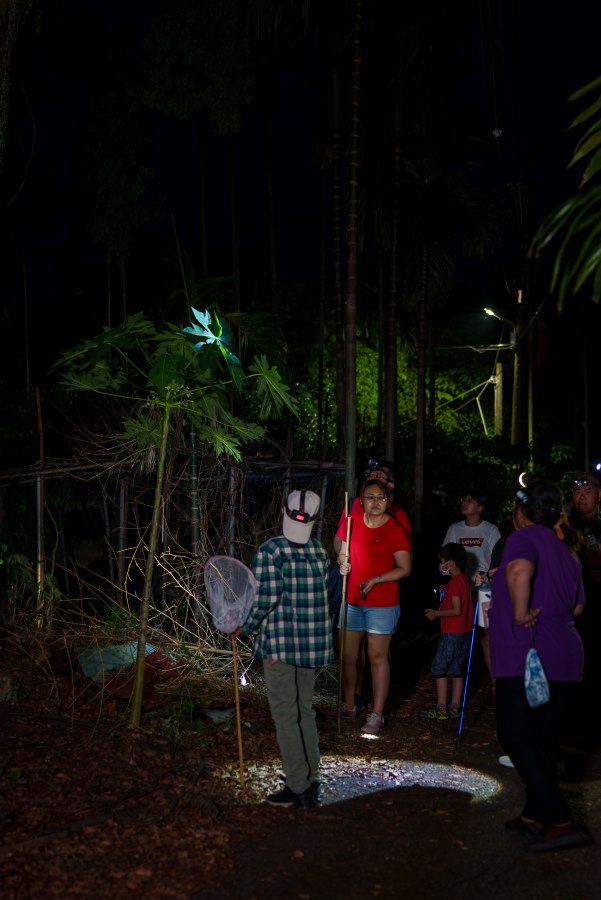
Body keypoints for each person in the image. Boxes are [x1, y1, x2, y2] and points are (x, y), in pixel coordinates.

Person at [488, 480, 592, 853]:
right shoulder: (568, 552)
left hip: (530, 656)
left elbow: (517, 571)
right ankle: (534, 814)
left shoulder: (523, 539)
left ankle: (562, 820)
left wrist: (519, 612)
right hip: (566, 656)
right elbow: (578, 607)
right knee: (542, 740)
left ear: (522, 512)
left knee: (516, 738)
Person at [234, 489, 333, 809]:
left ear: (282, 511)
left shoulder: (270, 551)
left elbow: (265, 599)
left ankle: (298, 785)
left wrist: (244, 627)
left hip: (280, 645)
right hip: (312, 646)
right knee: (305, 710)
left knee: (286, 715)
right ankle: (310, 777)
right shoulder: (320, 551)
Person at [331, 458, 412, 709]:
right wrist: (341, 556)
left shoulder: (397, 520)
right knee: (349, 654)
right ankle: (351, 698)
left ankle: (376, 707)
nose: (374, 500)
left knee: (377, 652)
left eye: (380, 495)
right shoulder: (353, 511)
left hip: (381, 599)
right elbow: (340, 541)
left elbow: (403, 562)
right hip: (352, 592)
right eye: (369, 495)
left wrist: (379, 576)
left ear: (389, 490)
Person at [421, 542, 474, 719]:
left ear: (450, 563)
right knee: (458, 668)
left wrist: (436, 613)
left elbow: (457, 609)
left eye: (442, 561)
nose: (441, 565)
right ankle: (455, 706)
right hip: (464, 632)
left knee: (439, 667)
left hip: (453, 632)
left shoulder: (456, 582)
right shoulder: (464, 580)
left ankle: (442, 707)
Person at [442, 490, 501, 584]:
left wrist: (488, 578)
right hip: (460, 584)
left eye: (469, 500)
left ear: (480, 507)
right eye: (463, 500)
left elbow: (498, 560)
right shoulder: (454, 529)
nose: (464, 503)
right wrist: (445, 568)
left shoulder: (491, 530)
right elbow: (445, 559)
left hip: (483, 585)